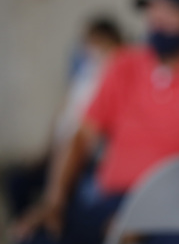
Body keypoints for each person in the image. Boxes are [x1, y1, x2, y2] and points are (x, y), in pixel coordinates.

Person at [13, 0, 179, 244]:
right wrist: (54, 202)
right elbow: (83, 136)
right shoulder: (124, 65)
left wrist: (144, 218)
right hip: (114, 201)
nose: (158, 19)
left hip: (175, 211)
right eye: (154, 11)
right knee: (36, 242)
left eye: (170, 12)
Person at [4, 16, 123, 219]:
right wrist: (43, 154)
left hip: (85, 159)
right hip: (60, 153)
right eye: (86, 42)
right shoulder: (83, 74)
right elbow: (61, 116)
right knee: (16, 181)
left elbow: (87, 134)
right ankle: (27, 228)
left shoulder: (118, 74)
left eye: (93, 41)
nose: (87, 48)